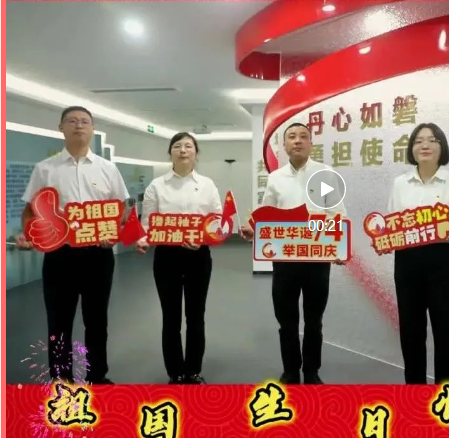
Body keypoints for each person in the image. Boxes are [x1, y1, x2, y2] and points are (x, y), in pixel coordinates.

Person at [16, 106, 129, 384]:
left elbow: (121, 209)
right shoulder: (45, 169)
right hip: (60, 255)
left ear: (92, 129)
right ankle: (61, 379)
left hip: (98, 255)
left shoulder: (107, 168)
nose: (79, 125)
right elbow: (31, 211)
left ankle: (97, 376)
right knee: (59, 322)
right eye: (72, 121)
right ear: (61, 128)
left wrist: (112, 231)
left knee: (97, 320)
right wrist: (28, 234)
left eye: (84, 121)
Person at [241, 122, 346, 385]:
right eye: (291, 137)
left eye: (303, 136)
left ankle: (311, 371)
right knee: (286, 320)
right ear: (284, 145)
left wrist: (335, 245)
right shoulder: (276, 178)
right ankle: (290, 370)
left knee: (314, 320)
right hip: (285, 259)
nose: (297, 140)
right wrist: (254, 229)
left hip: (316, 259)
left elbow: (336, 214)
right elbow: (266, 215)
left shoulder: (324, 175)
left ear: (311, 143)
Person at [387, 122, 449, 385]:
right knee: (411, 332)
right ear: (411, 148)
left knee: (447, 331)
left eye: (432, 140)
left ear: (442, 147)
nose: (424, 145)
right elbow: (391, 223)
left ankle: (447, 395)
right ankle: (414, 391)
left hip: (443, 261)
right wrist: (384, 238)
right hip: (407, 263)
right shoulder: (400, 183)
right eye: (418, 141)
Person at [136, 132, 221, 385]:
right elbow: (148, 222)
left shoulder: (207, 184)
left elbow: (217, 221)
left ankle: (193, 370)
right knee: (170, 317)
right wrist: (144, 239)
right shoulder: (157, 185)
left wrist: (204, 239)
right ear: (170, 152)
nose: (183, 150)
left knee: (196, 315)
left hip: (198, 255)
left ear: (196, 152)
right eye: (177, 146)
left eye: (188, 146)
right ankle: (174, 372)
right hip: (167, 256)